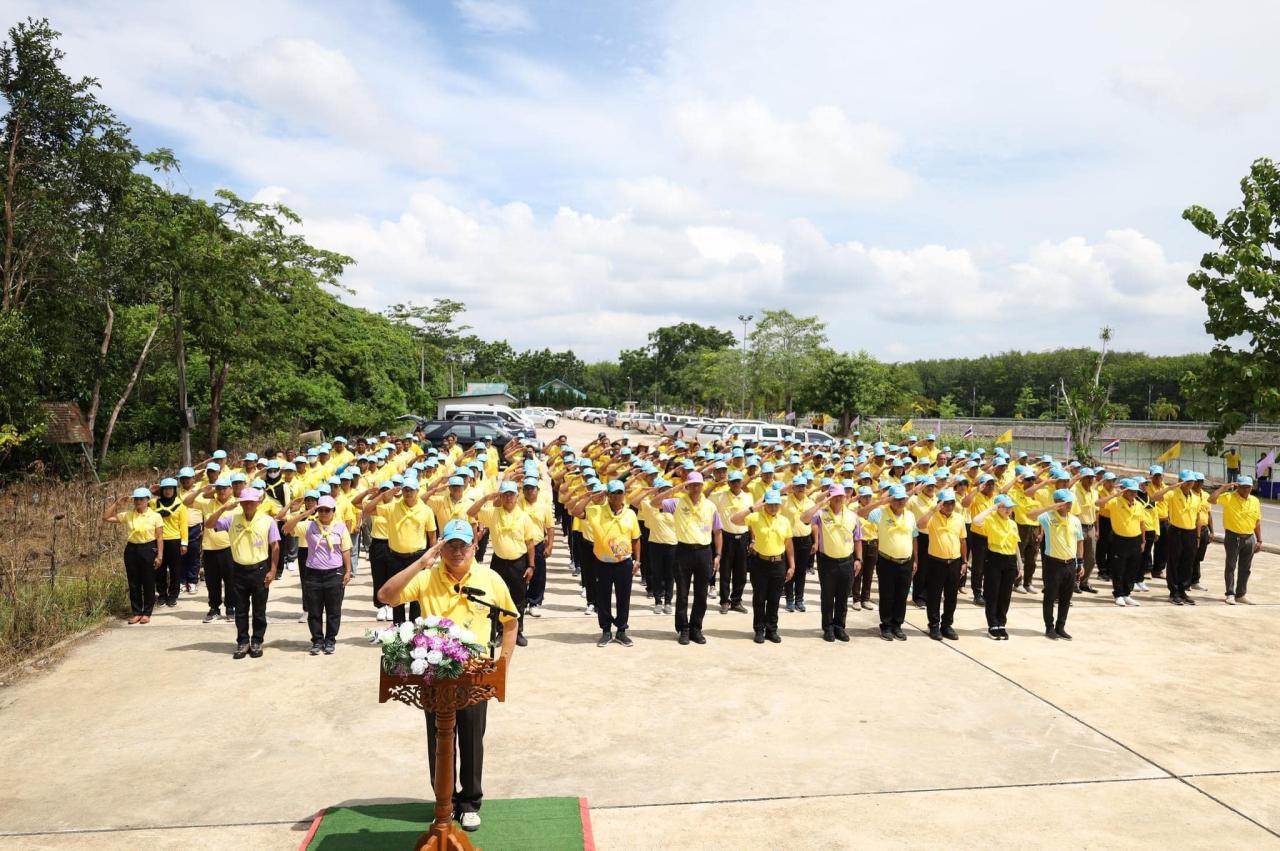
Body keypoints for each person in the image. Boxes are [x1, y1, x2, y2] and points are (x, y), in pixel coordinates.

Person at [377, 519, 518, 833]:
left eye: (463, 545)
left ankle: (469, 803)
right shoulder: (427, 578)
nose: (457, 552)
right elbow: (386, 595)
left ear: (474, 546)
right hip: (435, 675)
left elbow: (511, 622)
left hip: (474, 675)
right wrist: (421, 562)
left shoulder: (489, 578)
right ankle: (444, 802)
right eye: (450, 545)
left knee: (470, 738)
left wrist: (503, 664)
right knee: (439, 739)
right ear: (441, 548)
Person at [205, 488, 281, 658]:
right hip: (238, 570)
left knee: (259, 610)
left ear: (258, 503)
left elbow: (275, 546)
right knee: (240, 609)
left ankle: (257, 640)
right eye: (245, 502)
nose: (248, 505)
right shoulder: (232, 519)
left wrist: (273, 570)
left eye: (251, 502)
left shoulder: (268, 521)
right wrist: (223, 508)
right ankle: (242, 641)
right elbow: (209, 525)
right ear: (240, 503)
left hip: (260, 570)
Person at [651, 472, 722, 645]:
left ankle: (696, 628)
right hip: (683, 551)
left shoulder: (710, 506)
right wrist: (675, 489)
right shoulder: (677, 502)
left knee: (701, 594)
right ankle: (683, 628)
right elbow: (654, 503)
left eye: (699, 484)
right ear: (687, 486)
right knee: (682, 594)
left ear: (703, 486)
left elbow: (718, 531)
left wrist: (718, 555)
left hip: (704, 552)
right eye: (692, 484)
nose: (696, 487)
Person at [470, 479, 536, 647]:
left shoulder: (524, 517)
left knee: (519, 598)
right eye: (505, 494)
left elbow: (530, 543)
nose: (508, 498)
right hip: (499, 561)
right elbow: (471, 512)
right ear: (500, 496)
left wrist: (531, 566)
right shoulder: (493, 513)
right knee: (497, 598)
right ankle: (499, 631)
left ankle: (518, 631)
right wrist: (486, 499)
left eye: (511, 494)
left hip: (519, 562)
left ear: (516, 496)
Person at [365, 478, 437, 625]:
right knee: (396, 594)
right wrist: (383, 495)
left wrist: (430, 558)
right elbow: (367, 510)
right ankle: (398, 627)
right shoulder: (393, 507)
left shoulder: (426, 510)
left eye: (411, 490)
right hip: (395, 557)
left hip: (417, 558)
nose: (408, 493)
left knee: (417, 595)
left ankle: (414, 627)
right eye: (405, 489)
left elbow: (432, 535)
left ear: (417, 491)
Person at [285, 495, 351, 654]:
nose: (323, 513)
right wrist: (305, 513)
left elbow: (346, 550)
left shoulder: (340, 528)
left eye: (327, 510)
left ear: (333, 511)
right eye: (320, 510)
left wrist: (348, 570)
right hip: (313, 574)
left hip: (334, 573)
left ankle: (330, 640)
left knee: (333, 610)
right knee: (314, 610)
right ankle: (317, 640)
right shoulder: (309, 526)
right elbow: (287, 528)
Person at [580, 480, 642, 647]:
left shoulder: (630, 514)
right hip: (602, 563)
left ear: (624, 494)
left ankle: (621, 630)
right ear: (607, 494)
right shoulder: (596, 511)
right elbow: (575, 510)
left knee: (624, 597)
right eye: (613, 493)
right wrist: (590, 496)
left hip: (624, 563)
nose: (617, 496)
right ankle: (606, 630)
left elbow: (636, 538)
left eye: (620, 492)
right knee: (603, 598)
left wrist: (638, 560)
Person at [731, 490, 794, 643]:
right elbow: (734, 519)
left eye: (776, 504)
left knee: (774, 599)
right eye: (770, 504)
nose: (773, 507)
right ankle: (759, 629)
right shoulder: (755, 517)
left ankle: (771, 629)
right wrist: (754, 507)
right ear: (765, 503)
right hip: (760, 563)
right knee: (759, 598)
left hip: (779, 563)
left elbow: (789, 544)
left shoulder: (784, 521)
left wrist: (792, 565)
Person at [802, 484, 862, 642]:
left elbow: (858, 539)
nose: (838, 499)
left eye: (841, 496)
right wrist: (821, 503)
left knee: (843, 597)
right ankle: (827, 627)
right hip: (827, 561)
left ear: (846, 497)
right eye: (834, 496)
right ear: (829, 497)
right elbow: (804, 518)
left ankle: (839, 627)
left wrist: (858, 559)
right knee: (828, 596)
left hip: (847, 561)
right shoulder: (821, 514)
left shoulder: (852, 515)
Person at [860, 484, 917, 642]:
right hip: (887, 561)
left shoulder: (910, 515)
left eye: (903, 498)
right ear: (890, 499)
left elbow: (914, 537)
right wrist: (882, 501)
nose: (900, 501)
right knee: (887, 595)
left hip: (906, 560)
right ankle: (886, 625)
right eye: (896, 498)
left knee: (902, 595)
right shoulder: (880, 513)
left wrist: (915, 560)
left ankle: (897, 625)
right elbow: (860, 513)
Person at [102, 487, 164, 624]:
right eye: (136, 499)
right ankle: (136, 612)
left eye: (141, 499)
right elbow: (106, 517)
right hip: (132, 549)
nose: (138, 502)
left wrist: (159, 555)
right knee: (134, 582)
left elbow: (159, 537)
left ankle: (147, 612)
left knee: (148, 581)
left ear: (148, 500)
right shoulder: (129, 515)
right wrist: (117, 503)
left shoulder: (155, 516)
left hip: (148, 547)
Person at [1028, 489, 1084, 639]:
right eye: (1066, 502)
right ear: (1058, 503)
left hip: (1070, 564)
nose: (1069, 505)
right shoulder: (1047, 517)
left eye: (1070, 502)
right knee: (1050, 596)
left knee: (1066, 597)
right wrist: (1050, 508)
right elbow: (1030, 515)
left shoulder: (1075, 520)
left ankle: (1061, 626)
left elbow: (1079, 541)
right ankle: (1049, 627)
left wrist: (1081, 562)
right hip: (1053, 563)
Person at [915, 488, 967, 641]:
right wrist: (933, 510)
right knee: (934, 596)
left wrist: (964, 561)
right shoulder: (933, 517)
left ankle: (947, 625)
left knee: (951, 596)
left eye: (952, 503)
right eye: (946, 503)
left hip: (954, 562)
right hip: (936, 562)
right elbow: (920, 524)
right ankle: (934, 625)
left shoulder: (958, 518)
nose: (950, 506)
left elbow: (963, 540)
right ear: (940, 504)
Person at [971, 494, 1020, 639]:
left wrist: (1020, 564)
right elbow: (976, 520)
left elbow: (1015, 544)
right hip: (994, 558)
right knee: (993, 593)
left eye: (1010, 507)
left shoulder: (1012, 523)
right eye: (1005, 507)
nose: (1008, 510)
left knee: (1005, 594)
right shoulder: (990, 520)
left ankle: (1001, 623)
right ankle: (992, 624)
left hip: (1010, 559)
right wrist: (992, 508)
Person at [187, 477, 235, 622]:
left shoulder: (236, 505)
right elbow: (186, 502)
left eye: (224, 488)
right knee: (212, 581)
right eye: (218, 488)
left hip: (230, 548)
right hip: (210, 548)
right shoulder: (207, 503)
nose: (221, 491)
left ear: (230, 489)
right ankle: (214, 608)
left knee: (231, 581)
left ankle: (231, 608)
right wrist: (200, 491)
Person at [1210, 477, 1263, 604]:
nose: (1246, 489)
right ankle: (1230, 593)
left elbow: (1257, 521)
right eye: (1243, 486)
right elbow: (1211, 499)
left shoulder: (1255, 500)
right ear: (1237, 486)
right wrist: (1224, 488)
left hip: (1249, 537)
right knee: (1231, 566)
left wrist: (1259, 540)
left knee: (1246, 568)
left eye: (1249, 487)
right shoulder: (1229, 497)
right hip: (1233, 537)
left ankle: (1241, 594)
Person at [710, 470, 752, 615]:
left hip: (743, 537)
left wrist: (753, 539)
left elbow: (752, 519)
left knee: (741, 572)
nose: (735, 484)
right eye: (733, 481)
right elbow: (703, 497)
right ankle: (724, 601)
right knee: (725, 571)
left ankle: (736, 601)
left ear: (742, 482)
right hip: (726, 537)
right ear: (728, 483)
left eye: (738, 481)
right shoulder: (719, 496)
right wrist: (715, 484)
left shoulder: (748, 497)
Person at [151, 477, 188, 607]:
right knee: (159, 569)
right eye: (165, 489)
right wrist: (152, 491)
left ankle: (173, 595)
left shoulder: (181, 505)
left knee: (175, 570)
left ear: (174, 490)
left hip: (174, 540)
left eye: (170, 489)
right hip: (158, 540)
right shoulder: (154, 503)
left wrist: (184, 543)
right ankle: (162, 594)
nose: (168, 491)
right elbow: (144, 503)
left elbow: (183, 525)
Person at [176, 467, 203, 596]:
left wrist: (203, 527)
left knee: (193, 556)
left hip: (195, 528)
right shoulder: (176, 492)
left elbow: (205, 508)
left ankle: (192, 581)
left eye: (187, 478)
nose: (185, 481)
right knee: (180, 556)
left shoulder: (200, 491)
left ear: (193, 478)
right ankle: (181, 581)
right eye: (182, 478)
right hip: (179, 528)